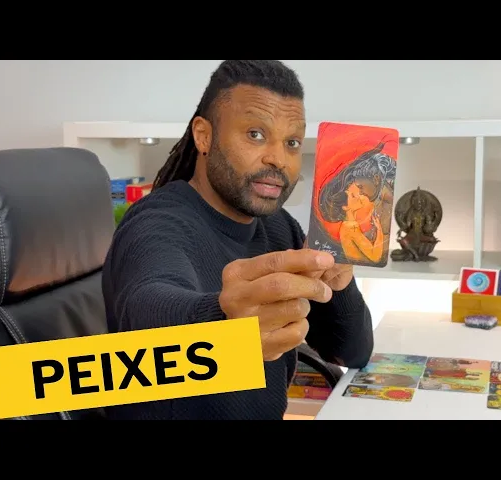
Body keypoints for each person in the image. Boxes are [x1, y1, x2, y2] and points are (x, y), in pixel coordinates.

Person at [101, 60, 374, 420]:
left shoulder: (278, 226)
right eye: (255, 134)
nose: (278, 159)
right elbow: (147, 305)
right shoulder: (155, 223)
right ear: (204, 136)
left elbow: (353, 354)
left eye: (292, 142)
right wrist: (223, 322)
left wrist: (340, 286)